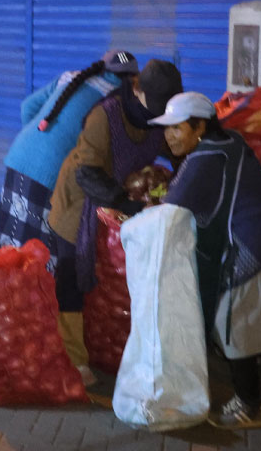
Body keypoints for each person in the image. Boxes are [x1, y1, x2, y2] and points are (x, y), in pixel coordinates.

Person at [150, 92, 261, 429]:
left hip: (259, 246)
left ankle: (251, 406)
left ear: (200, 127)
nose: (169, 136)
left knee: (233, 323)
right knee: (242, 322)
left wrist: (130, 218)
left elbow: (169, 213)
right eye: (167, 129)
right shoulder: (228, 140)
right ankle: (248, 395)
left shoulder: (205, 158)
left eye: (177, 128)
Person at [46, 59, 183, 378]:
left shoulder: (157, 118)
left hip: (116, 203)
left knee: (107, 279)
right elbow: (86, 172)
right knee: (72, 275)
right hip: (78, 204)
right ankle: (74, 361)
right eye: (156, 105)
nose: (160, 116)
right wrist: (124, 203)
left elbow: (176, 148)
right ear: (137, 89)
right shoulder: (105, 116)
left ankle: (106, 346)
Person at [0, 50, 139, 267]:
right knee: (39, 255)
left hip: (20, 157)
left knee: (9, 245)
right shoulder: (118, 99)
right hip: (50, 173)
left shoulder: (70, 77)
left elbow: (28, 106)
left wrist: (38, 146)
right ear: (133, 78)